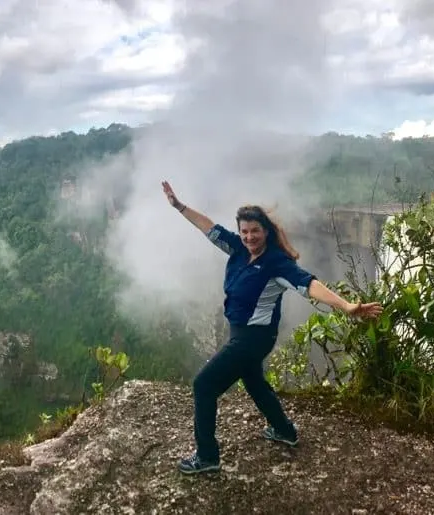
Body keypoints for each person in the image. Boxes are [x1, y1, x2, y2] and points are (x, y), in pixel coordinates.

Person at [161, 181, 383, 475]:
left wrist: (347, 307)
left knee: (203, 385)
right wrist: (179, 206)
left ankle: (207, 456)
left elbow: (309, 284)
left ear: (265, 231)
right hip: (242, 334)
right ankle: (284, 430)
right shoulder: (238, 250)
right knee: (254, 381)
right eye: (245, 231)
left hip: (253, 338)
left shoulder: (277, 263)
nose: (249, 236)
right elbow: (208, 227)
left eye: (255, 231)